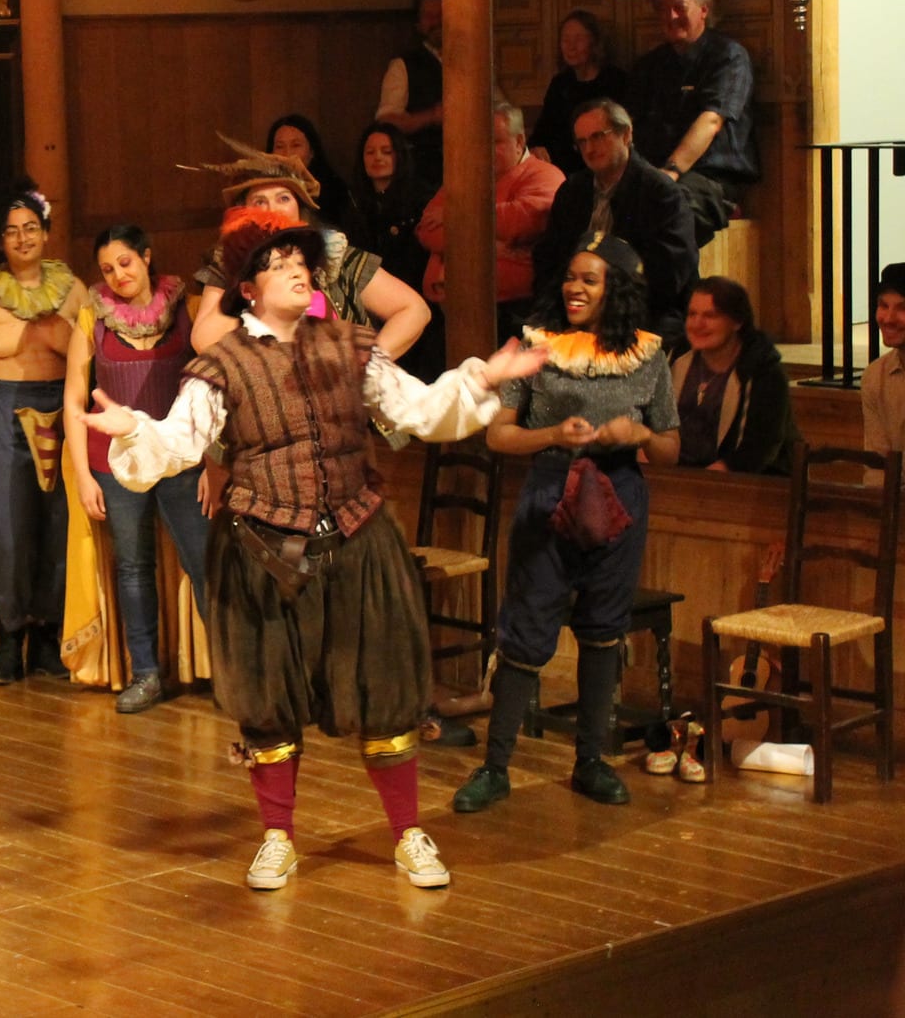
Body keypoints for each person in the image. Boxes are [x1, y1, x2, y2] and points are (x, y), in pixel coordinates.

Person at [83, 207, 547, 892]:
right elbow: (177, 443)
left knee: (386, 695)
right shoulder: (220, 366)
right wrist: (131, 431)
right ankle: (277, 836)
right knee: (268, 704)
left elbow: (419, 413)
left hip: (358, 542)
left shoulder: (354, 346)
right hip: (262, 551)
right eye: (280, 263)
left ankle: (408, 833)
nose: (298, 270)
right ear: (249, 288)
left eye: (303, 260)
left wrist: (479, 380)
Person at [454, 234, 681, 814]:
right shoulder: (537, 348)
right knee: (526, 627)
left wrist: (642, 436)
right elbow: (499, 434)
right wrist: (554, 434)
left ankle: (590, 762)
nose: (574, 288)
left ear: (617, 290)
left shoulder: (648, 356)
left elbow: (673, 447)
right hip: (550, 486)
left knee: (604, 628)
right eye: (570, 277)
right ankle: (495, 766)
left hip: (619, 492)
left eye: (590, 280)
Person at [63, 225, 209, 714]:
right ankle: (146, 674)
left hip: (180, 457)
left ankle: (234, 671)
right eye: (107, 269)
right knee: (132, 567)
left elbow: (213, 387)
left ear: (147, 257)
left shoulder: (186, 309)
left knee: (205, 562)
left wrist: (213, 460)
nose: (118, 275)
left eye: (125, 262)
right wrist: (84, 474)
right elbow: (73, 400)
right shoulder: (92, 317)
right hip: (116, 463)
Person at [0, 181, 84, 684]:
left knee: (57, 526)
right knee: (7, 531)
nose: (23, 238)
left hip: (62, 412)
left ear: (46, 233)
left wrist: (59, 334)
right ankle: (9, 639)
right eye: (12, 232)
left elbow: (89, 359)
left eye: (31, 228)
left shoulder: (72, 290)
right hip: (4, 414)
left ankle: (49, 638)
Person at [182, 136, 430, 360]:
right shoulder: (229, 262)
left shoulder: (335, 255)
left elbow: (413, 310)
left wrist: (365, 366)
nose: (272, 210)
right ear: (245, 212)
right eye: (260, 201)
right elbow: (204, 338)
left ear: (299, 209)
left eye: (283, 198)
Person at [534, 99, 697, 345]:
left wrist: (609, 304)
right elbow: (550, 258)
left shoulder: (661, 193)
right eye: (582, 141)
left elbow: (671, 274)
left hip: (642, 313)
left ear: (626, 134)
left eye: (598, 136)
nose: (590, 148)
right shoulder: (573, 190)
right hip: (576, 310)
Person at [419, 100, 565, 342]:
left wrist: (454, 216)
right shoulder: (465, 177)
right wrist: (492, 246)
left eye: (494, 142)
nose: (484, 150)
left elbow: (525, 219)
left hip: (512, 317)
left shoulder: (544, 174)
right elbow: (427, 229)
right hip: (448, 314)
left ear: (519, 142)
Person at [626, 0, 757, 246]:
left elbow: (711, 121)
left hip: (711, 178)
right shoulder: (649, 65)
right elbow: (628, 124)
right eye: (664, 10)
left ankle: (675, 286)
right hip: (654, 173)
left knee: (666, 208)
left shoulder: (728, 57)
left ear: (703, 10)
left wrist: (671, 171)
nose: (671, 16)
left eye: (679, 8)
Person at [670, 276, 799, 475]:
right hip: (682, 475)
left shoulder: (764, 371)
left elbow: (759, 450)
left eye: (710, 316)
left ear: (737, 322)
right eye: (692, 314)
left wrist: (707, 482)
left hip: (751, 482)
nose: (697, 324)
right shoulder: (675, 357)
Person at [531, 10, 629, 177]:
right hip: (561, 169)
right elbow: (543, 130)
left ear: (594, 42)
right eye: (565, 40)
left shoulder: (616, 81)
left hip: (602, 167)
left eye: (579, 39)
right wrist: (537, 147)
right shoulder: (560, 84)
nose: (571, 46)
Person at [342, 121, 430, 294]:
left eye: (387, 152)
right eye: (370, 152)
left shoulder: (419, 201)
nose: (378, 157)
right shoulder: (354, 201)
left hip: (410, 290)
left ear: (400, 155)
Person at [376, 0, 447, 187]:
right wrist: (432, 117)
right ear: (418, 24)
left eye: (442, 14)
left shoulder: (475, 63)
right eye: (429, 16)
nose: (437, 22)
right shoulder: (403, 65)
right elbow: (386, 121)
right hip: (423, 173)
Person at [267, 113, 350, 228]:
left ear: (312, 152)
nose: (287, 154)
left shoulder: (334, 191)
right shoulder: (262, 188)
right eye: (280, 146)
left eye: (296, 145)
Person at [861, 262, 905, 477]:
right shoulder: (875, 376)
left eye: (902, 308)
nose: (888, 319)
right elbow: (878, 468)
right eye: (883, 306)